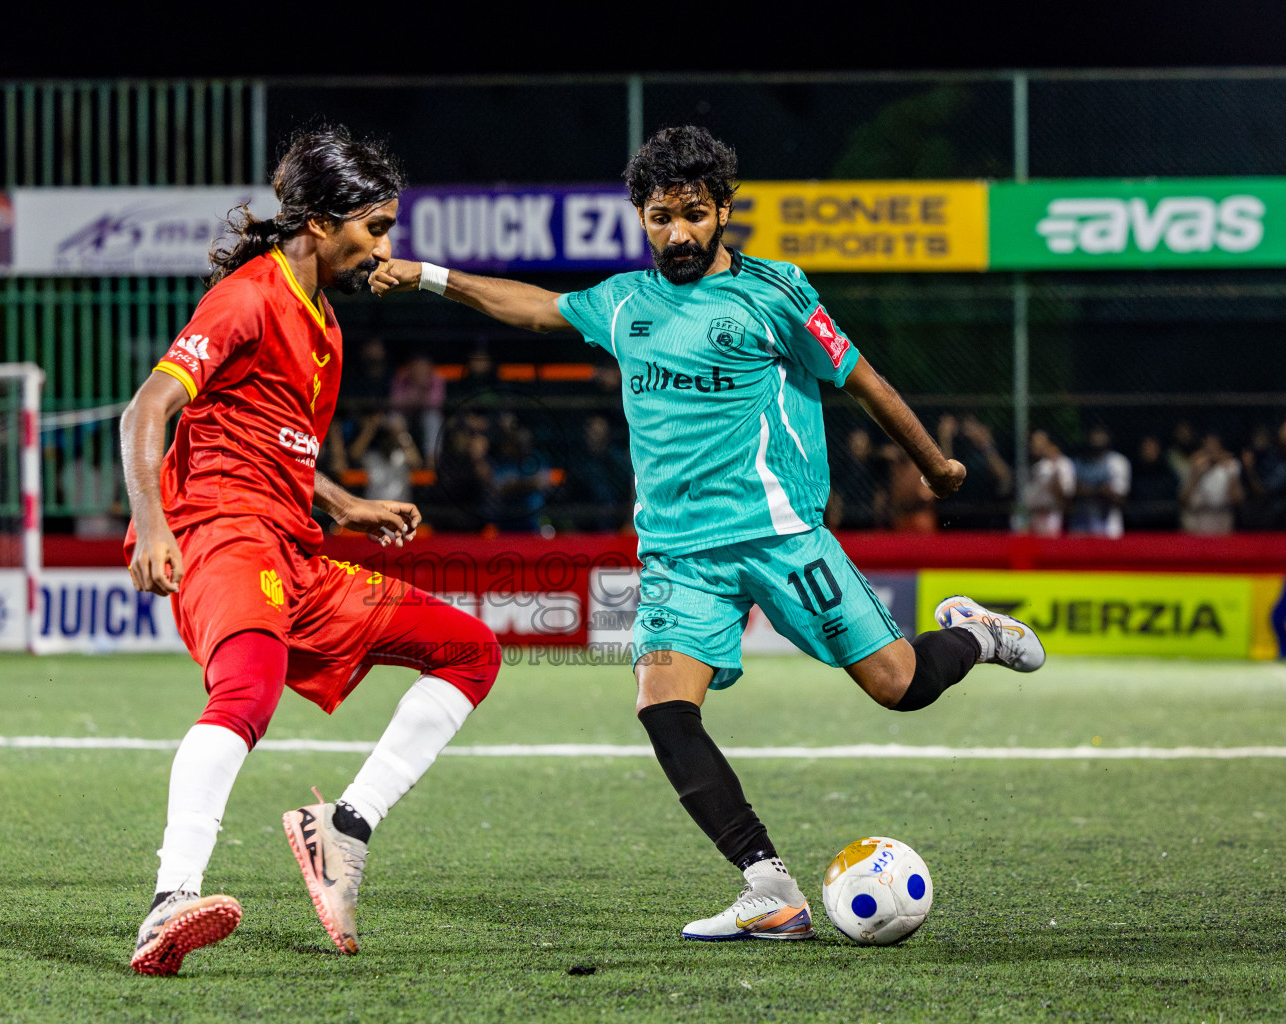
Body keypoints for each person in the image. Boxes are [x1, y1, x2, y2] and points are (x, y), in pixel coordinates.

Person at [371, 125, 1045, 943]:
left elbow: (862, 378)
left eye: (694, 213)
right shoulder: (623, 304)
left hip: (784, 539)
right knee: (661, 705)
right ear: (642, 218)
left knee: (899, 683)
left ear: (724, 209)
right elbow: (538, 308)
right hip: (679, 557)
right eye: (660, 217)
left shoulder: (778, 292)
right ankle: (770, 887)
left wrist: (935, 463)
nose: (678, 233)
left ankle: (974, 635)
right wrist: (428, 276)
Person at [119, 128, 500, 975]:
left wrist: (344, 502)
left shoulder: (321, 321)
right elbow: (147, 409)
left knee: (470, 651)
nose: (385, 247)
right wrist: (152, 524)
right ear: (322, 224)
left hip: (294, 548)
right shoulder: (248, 298)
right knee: (247, 691)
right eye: (375, 225)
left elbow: (278, 442)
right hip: (223, 530)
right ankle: (169, 898)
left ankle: (345, 826)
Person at [936, 414, 1013, 529]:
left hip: (986, 517)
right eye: (965, 429)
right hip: (954, 516)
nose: (967, 433)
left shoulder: (989, 451)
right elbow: (946, 475)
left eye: (971, 428)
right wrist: (945, 439)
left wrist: (985, 444)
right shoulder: (957, 448)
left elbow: (1005, 478)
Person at [1067, 425, 1131, 538]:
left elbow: (1119, 498)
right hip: (1080, 525)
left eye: (1100, 435)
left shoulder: (1117, 462)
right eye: (1093, 435)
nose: (1096, 439)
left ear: (1108, 438)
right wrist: (1098, 490)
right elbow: (1071, 493)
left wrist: (1088, 491)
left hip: (1108, 526)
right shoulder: (1076, 463)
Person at [1179, 432, 1244, 535]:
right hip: (1199, 516)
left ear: (1220, 448)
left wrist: (1232, 476)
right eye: (1207, 445)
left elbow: (1237, 499)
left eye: (1214, 445)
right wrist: (1196, 475)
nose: (1210, 449)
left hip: (1222, 515)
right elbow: (1182, 499)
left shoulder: (1230, 466)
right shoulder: (1195, 465)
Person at [1024, 430, 1075, 537]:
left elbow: (1066, 494)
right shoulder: (1032, 464)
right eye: (1033, 441)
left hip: (1051, 515)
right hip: (1029, 514)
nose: (1035, 444)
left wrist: (1055, 472)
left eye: (1039, 441)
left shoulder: (1063, 463)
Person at [1126, 435, 1180, 530]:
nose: (1150, 451)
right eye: (1146, 448)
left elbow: (1175, 501)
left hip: (1165, 528)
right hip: (1138, 528)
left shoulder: (1168, 473)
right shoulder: (1132, 473)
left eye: (1153, 448)